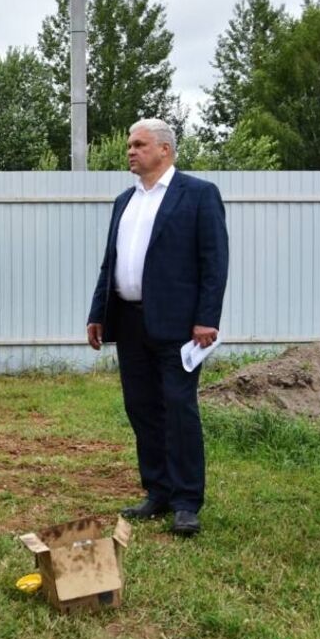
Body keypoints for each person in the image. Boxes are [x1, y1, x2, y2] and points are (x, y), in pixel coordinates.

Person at [86, 118, 229, 536]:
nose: (130, 151)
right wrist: (99, 312)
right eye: (129, 144)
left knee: (178, 409)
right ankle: (157, 490)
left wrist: (207, 318)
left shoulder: (198, 195)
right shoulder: (123, 201)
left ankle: (187, 501)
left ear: (164, 150)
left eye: (139, 144)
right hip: (130, 322)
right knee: (142, 408)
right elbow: (110, 263)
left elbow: (214, 262)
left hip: (179, 326)